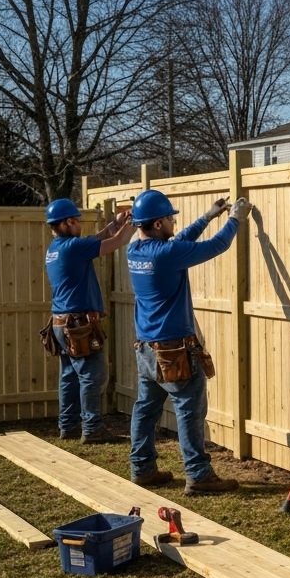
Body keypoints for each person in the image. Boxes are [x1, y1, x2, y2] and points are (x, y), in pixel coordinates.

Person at [126, 189, 252, 492]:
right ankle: (198, 474)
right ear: (157, 224)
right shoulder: (166, 254)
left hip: (146, 348)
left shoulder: (135, 251)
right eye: (169, 217)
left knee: (146, 408)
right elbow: (217, 246)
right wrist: (235, 219)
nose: (172, 222)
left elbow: (179, 241)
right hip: (174, 349)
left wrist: (207, 216)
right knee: (189, 408)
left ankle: (141, 468)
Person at [43, 197, 134, 443]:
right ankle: (92, 428)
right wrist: (135, 222)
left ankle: (68, 425)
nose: (79, 225)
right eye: (76, 221)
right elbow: (118, 242)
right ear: (68, 222)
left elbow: (95, 240)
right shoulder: (72, 247)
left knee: (69, 376)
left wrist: (115, 224)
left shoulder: (55, 248)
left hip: (61, 324)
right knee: (92, 375)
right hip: (78, 325)